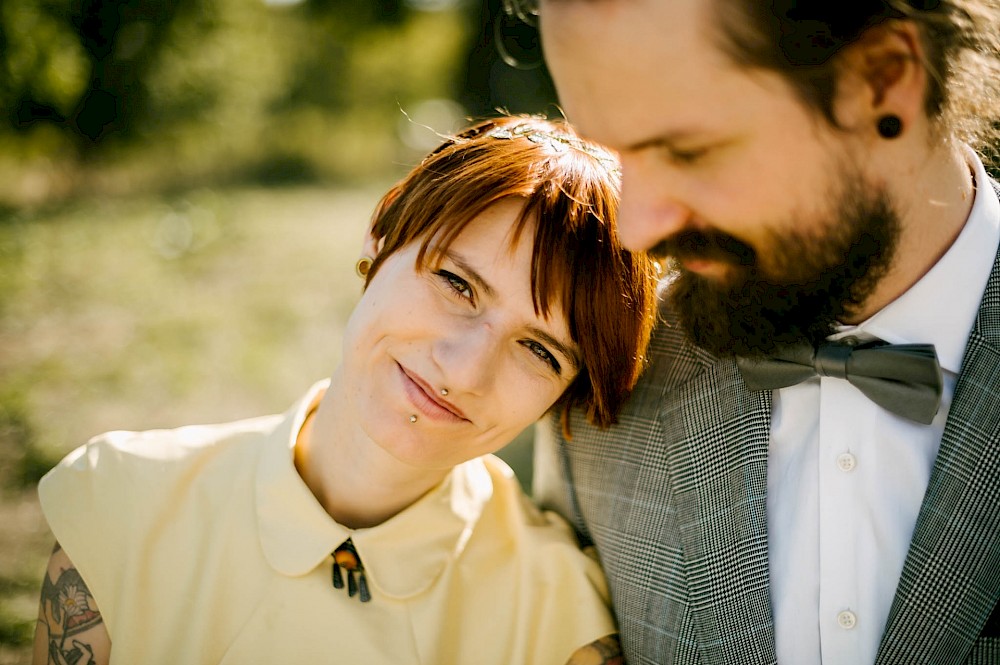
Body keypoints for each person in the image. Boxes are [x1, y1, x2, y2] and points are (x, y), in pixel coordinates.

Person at [30, 115, 660, 665]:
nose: (463, 372)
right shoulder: (124, 502)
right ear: (381, 233)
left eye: (539, 350)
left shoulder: (556, 616)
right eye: (457, 284)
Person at [501, 1, 1000, 663]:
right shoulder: (608, 380)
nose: (637, 229)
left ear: (884, 78)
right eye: (614, 154)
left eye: (686, 150)